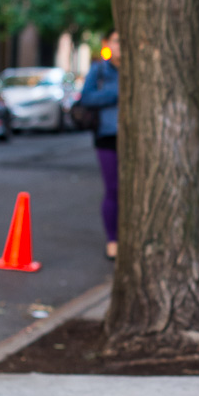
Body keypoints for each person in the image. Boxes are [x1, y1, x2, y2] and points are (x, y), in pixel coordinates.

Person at [79, 30, 120, 260]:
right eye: (116, 41)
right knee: (113, 189)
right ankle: (112, 239)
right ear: (108, 44)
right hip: (107, 136)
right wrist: (115, 93)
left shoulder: (139, 68)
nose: (120, 45)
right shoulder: (100, 70)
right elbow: (86, 98)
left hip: (135, 137)